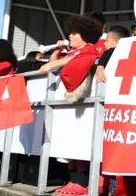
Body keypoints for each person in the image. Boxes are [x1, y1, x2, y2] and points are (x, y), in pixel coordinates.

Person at [38, 15, 103, 196]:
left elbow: (50, 67)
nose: (70, 37)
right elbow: (54, 63)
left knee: (78, 141)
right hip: (66, 106)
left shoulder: (89, 50)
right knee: (67, 142)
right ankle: (73, 179)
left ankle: (81, 182)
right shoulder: (71, 52)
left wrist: (56, 63)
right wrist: (57, 54)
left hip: (81, 107)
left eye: (74, 33)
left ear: (85, 35)